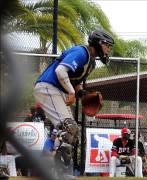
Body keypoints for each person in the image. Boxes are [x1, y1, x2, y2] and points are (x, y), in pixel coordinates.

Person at [33, 29, 114, 169]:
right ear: (98, 43)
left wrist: (81, 94)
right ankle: (54, 168)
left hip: (54, 90)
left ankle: (48, 166)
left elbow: (75, 82)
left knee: (72, 132)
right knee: (69, 127)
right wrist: (71, 92)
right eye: (107, 45)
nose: (108, 49)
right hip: (48, 86)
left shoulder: (91, 62)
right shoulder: (81, 52)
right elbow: (60, 71)